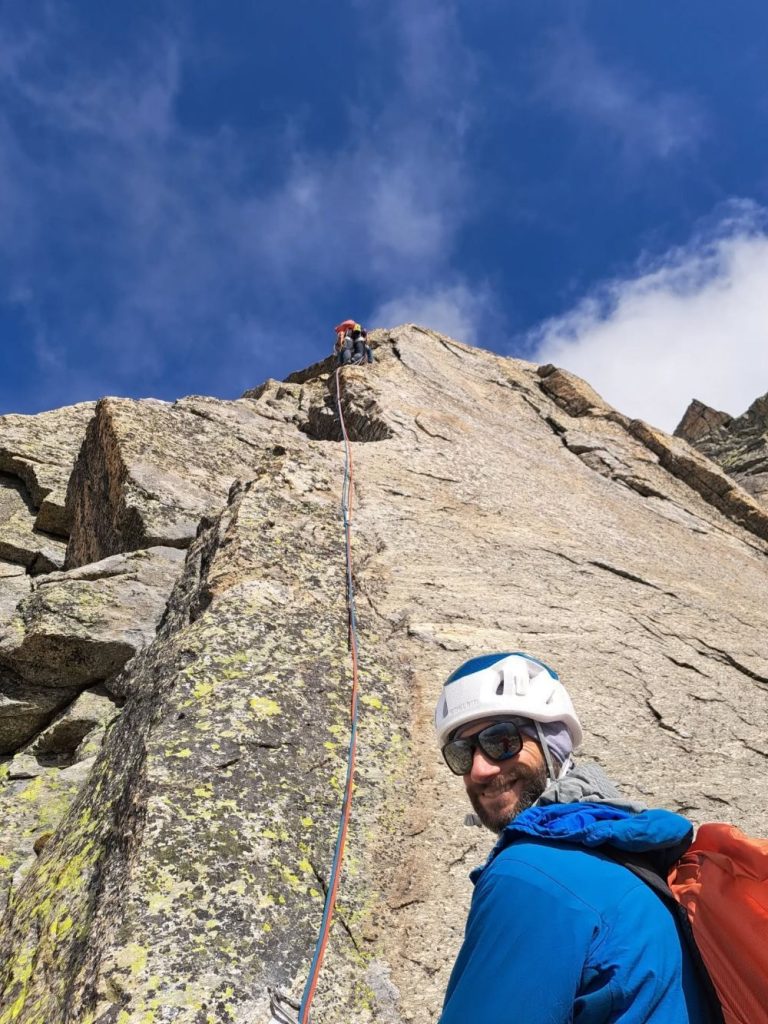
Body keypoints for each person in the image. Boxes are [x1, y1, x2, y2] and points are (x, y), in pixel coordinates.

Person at [435, 652, 722, 1024]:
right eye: (461, 752)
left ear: (553, 744)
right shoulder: (625, 858)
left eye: (501, 741)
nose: (479, 769)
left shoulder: (529, 874)